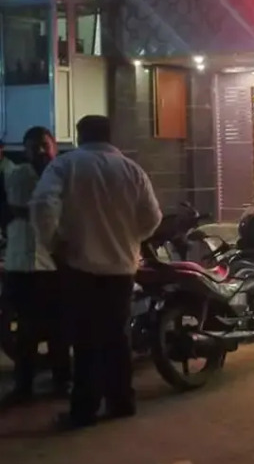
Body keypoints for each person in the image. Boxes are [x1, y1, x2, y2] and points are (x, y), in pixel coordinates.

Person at [31, 115, 162, 429]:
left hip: (80, 267)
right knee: (117, 337)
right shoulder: (132, 170)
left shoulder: (66, 165)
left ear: (80, 136)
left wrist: (54, 243)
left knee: (85, 340)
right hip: (121, 268)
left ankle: (84, 409)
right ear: (110, 136)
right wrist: (130, 238)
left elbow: (42, 203)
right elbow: (152, 218)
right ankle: (121, 402)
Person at [0, 127, 71, 407]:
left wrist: (25, 212)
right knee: (25, 332)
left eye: (44, 145)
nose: (40, 151)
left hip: (54, 265)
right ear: (25, 151)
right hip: (20, 265)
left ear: (55, 146)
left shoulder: (65, 174)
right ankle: (24, 386)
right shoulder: (16, 175)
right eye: (33, 147)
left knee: (59, 328)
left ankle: (62, 380)